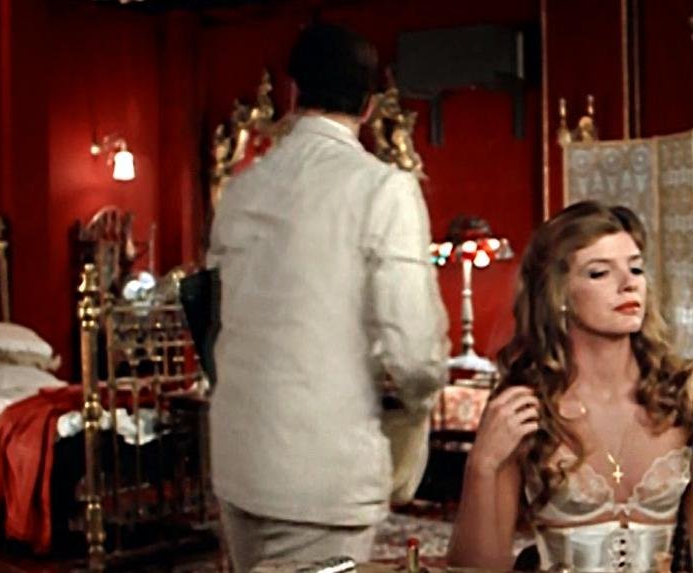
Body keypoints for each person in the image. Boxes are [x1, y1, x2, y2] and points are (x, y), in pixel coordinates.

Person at [206, 23, 450, 572]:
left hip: (237, 456)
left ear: (293, 92)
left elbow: (213, 318)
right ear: (369, 105)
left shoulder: (241, 190)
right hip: (323, 468)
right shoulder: (382, 188)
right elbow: (414, 352)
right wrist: (416, 403)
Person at [447, 200, 693, 573]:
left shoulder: (679, 396)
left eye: (635, 268)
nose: (628, 284)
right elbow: (476, 569)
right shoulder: (528, 405)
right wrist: (482, 464)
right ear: (559, 294)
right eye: (599, 273)